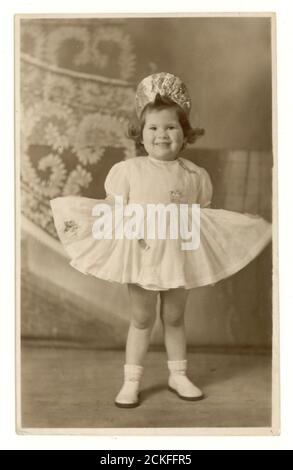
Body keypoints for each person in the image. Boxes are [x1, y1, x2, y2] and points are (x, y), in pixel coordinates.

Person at [50, 72, 272, 408]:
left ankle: (178, 375)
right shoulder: (129, 172)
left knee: (174, 317)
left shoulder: (195, 176)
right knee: (141, 319)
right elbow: (113, 213)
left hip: (177, 256)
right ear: (141, 134)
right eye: (153, 128)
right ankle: (131, 381)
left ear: (185, 134)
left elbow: (200, 220)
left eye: (170, 127)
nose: (162, 134)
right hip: (142, 255)